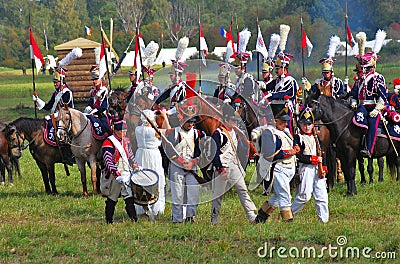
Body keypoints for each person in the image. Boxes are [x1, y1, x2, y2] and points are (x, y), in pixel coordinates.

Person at [210, 104, 257, 225]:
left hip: (234, 166)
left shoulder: (235, 133)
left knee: (243, 190)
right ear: (226, 119)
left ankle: (251, 215)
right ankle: (214, 219)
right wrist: (220, 169)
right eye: (232, 120)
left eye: (236, 120)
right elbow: (214, 154)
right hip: (223, 167)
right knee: (218, 196)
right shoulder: (218, 134)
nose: (235, 122)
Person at [255, 104, 300, 223]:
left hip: (289, 167)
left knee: (278, 196)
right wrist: (288, 152)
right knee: (285, 196)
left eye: (286, 121)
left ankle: (260, 218)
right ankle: (288, 223)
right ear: (275, 120)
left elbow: (293, 138)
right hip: (277, 168)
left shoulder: (284, 131)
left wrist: (295, 144)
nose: (286, 124)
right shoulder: (268, 133)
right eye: (283, 121)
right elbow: (269, 154)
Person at [164, 100, 205, 223]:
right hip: (177, 166)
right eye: (189, 121)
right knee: (177, 194)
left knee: (193, 193)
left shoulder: (197, 134)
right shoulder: (173, 133)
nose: (191, 124)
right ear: (182, 120)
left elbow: (200, 152)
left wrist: (193, 162)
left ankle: (190, 216)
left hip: (191, 165)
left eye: (192, 121)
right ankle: (176, 218)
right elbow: (169, 152)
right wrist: (181, 162)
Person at [291, 108, 329, 223]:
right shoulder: (298, 138)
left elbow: (322, 153)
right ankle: (288, 215)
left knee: (322, 195)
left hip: (318, 168)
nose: (306, 127)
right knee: (304, 196)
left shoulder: (316, 137)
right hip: (306, 168)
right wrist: (314, 160)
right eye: (304, 124)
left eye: (309, 124)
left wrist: (324, 168)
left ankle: (323, 220)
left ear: (313, 125)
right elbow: (299, 156)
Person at [350, 52, 387, 158]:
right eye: (366, 68)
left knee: (372, 122)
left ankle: (368, 149)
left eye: (369, 68)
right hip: (361, 106)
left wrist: (377, 109)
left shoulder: (378, 78)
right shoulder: (360, 80)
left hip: (374, 106)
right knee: (356, 119)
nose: (367, 70)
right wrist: (353, 101)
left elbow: (383, 95)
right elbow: (354, 93)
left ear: (373, 67)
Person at [101, 120, 138, 224]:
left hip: (126, 172)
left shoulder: (125, 141)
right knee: (112, 198)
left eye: (125, 130)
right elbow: (107, 160)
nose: (124, 132)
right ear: (116, 131)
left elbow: (130, 156)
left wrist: (135, 165)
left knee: (129, 196)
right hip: (115, 174)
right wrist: (116, 174)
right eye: (121, 130)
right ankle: (109, 220)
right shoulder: (108, 142)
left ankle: (133, 219)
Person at [134, 109, 170, 217]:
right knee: (156, 178)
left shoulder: (137, 129)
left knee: (141, 179)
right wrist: (164, 117)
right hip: (153, 155)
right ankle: (156, 208)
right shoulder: (154, 132)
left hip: (140, 154)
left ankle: (141, 207)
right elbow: (168, 131)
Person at [85, 65, 112, 135]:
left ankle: (109, 137)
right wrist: (88, 108)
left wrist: (95, 110)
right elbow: (90, 104)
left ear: (101, 79)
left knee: (105, 127)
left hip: (101, 114)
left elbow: (104, 106)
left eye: (96, 79)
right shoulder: (93, 91)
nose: (94, 81)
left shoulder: (104, 91)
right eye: (93, 79)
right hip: (92, 114)